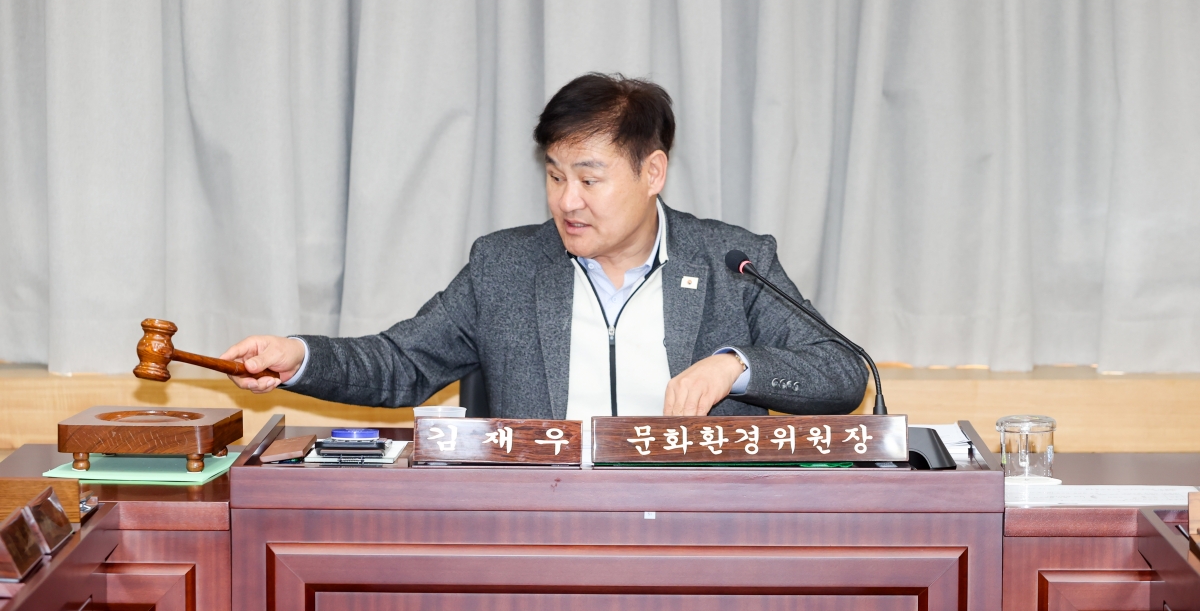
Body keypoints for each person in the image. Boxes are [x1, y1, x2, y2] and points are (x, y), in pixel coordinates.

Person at [220, 73, 867, 419]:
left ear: (652, 173)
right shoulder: (504, 267)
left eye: (589, 178)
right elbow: (400, 363)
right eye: (555, 177)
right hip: (544, 531)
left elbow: (843, 372)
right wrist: (299, 356)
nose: (567, 200)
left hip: (695, 533)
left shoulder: (733, 263)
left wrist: (734, 366)